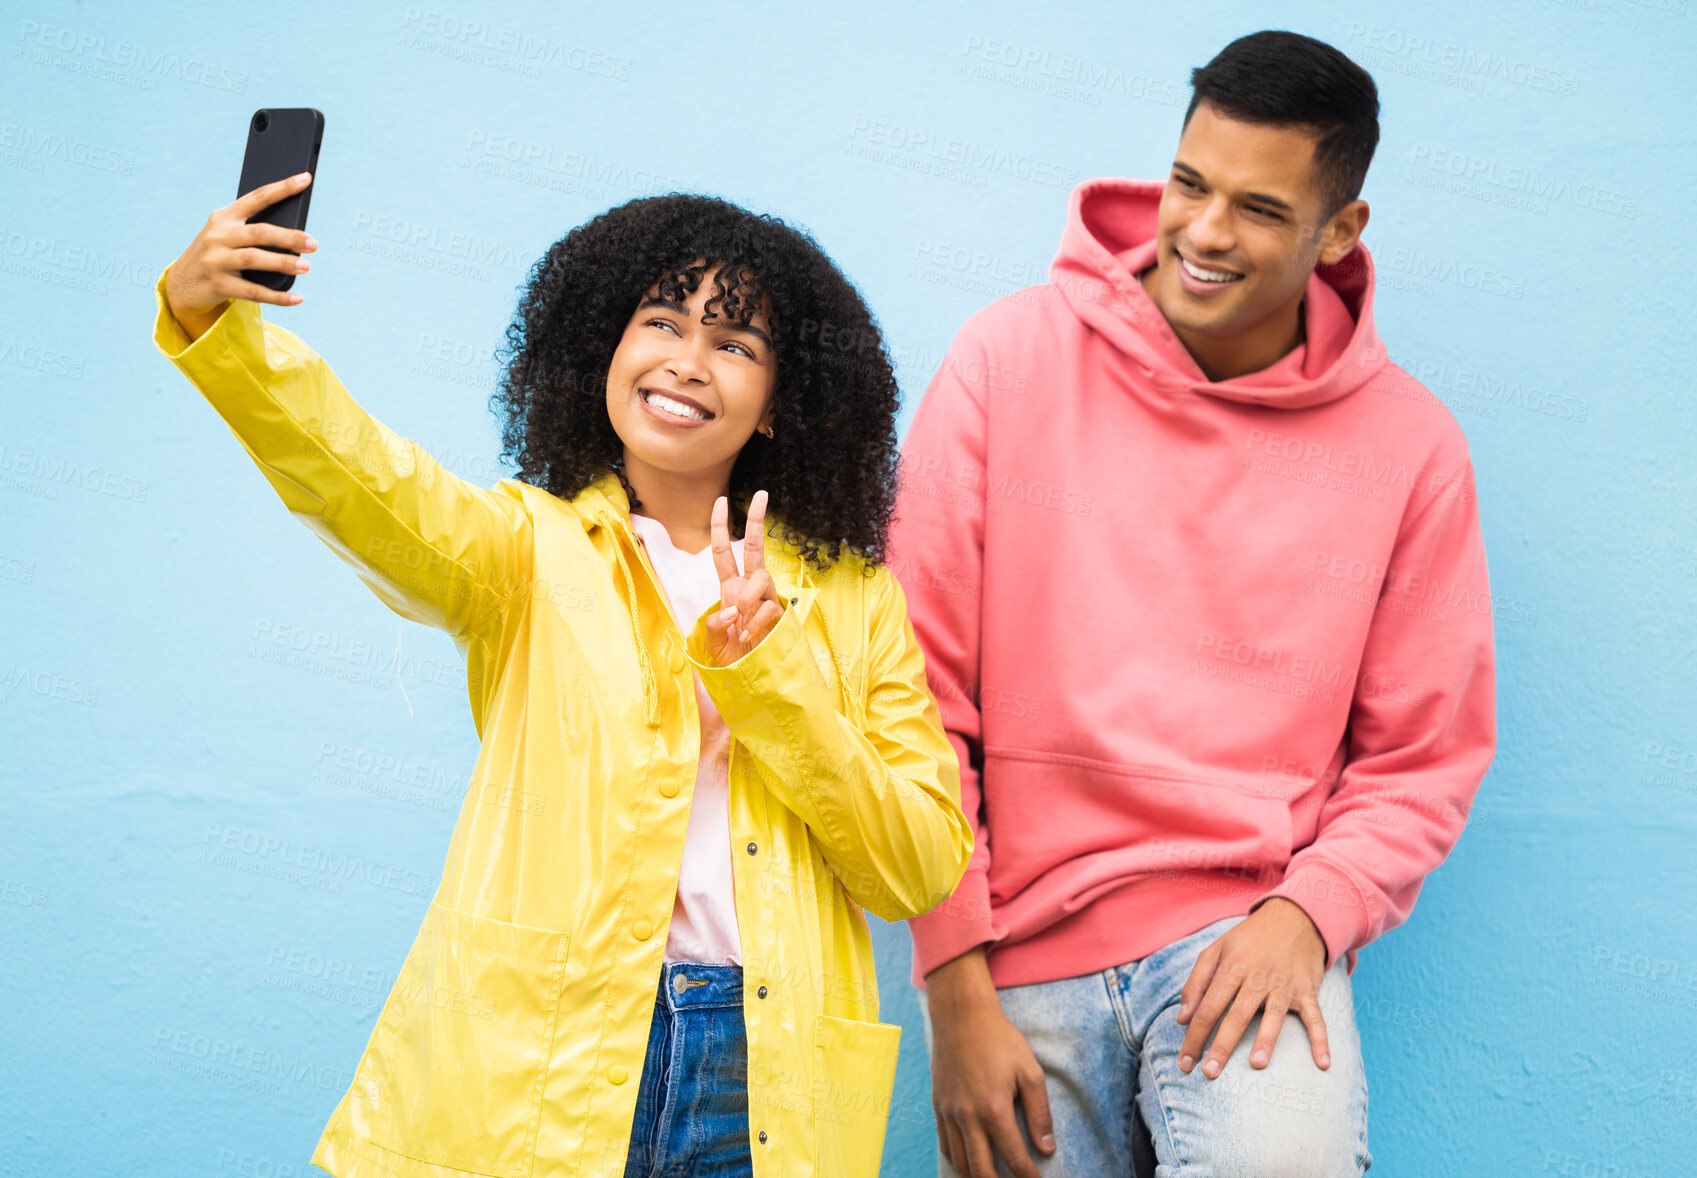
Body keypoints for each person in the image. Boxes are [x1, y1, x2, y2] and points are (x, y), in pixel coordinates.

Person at [152, 183, 974, 1178]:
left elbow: (917, 863)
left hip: (764, 1063)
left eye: (734, 344)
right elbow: (359, 476)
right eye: (661, 321)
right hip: (552, 1049)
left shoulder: (853, 598)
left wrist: (771, 670)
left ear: (776, 406)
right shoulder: (524, 549)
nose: (685, 359)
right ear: (604, 349)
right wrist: (218, 334)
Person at [891, 30, 1497, 1178]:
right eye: (1188, 184)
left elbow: (1423, 753)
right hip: (1009, 944)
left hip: (1249, 930)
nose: (1205, 233)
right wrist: (951, 982)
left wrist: (1311, 913)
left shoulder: (1409, 448)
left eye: (1259, 209)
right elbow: (912, 698)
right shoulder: (1006, 360)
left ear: (1340, 232)